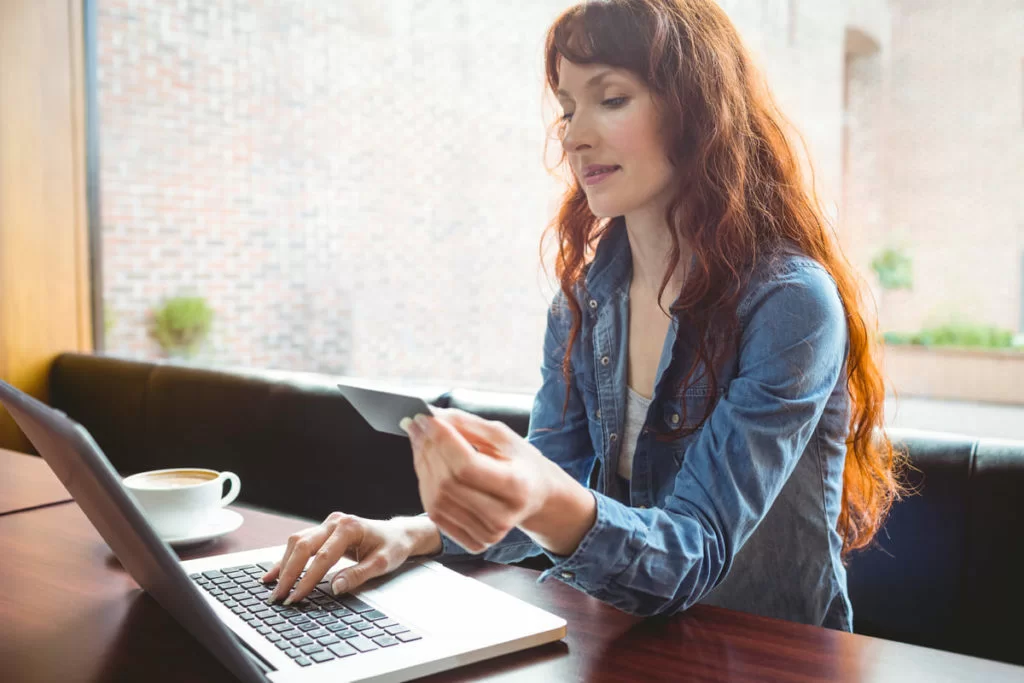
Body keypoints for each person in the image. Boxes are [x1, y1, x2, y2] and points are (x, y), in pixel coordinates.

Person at [261, 0, 904, 630]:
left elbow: (692, 550)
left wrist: (541, 493)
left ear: (697, 113)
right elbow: (548, 488)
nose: (573, 135)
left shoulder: (790, 302)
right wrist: (406, 532)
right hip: (627, 640)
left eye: (612, 98)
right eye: (567, 109)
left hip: (772, 655)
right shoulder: (583, 302)